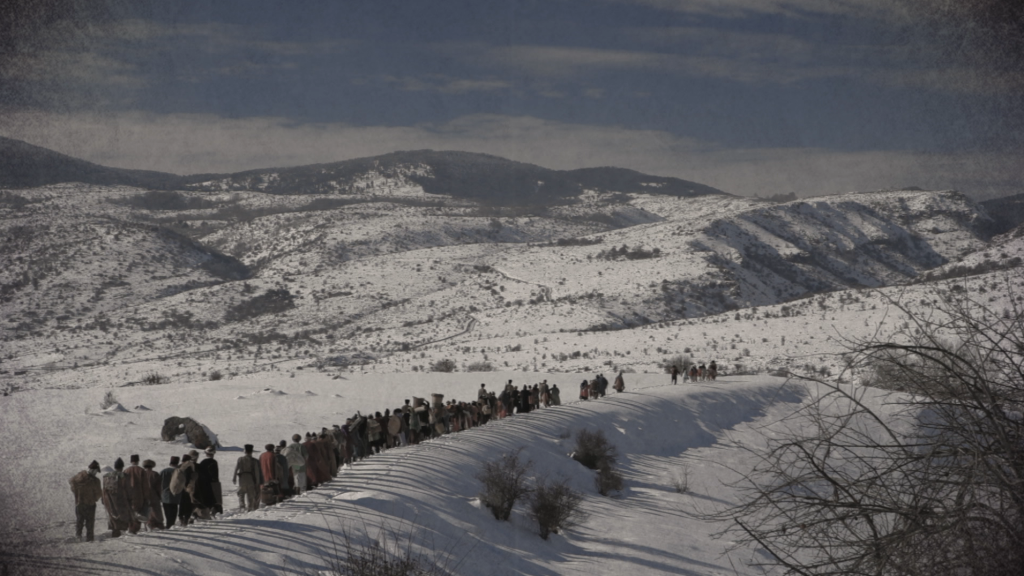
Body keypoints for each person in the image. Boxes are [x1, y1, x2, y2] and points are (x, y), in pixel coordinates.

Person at [101, 457, 139, 537]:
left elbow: (104, 489)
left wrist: (103, 500)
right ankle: (124, 536)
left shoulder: (106, 476)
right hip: (122, 501)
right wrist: (133, 500)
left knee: (114, 519)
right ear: (122, 467)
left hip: (110, 501)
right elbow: (129, 489)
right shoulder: (125, 476)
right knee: (125, 519)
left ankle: (115, 534)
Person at [69, 460, 102, 542]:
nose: (96, 473)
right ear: (93, 470)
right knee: (90, 523)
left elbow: (71, 482)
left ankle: (78, 536)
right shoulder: (95, 481)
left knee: (79, 521)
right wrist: (94, 498)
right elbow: (98, 494)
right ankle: (89, 539)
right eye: (96, 471)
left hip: (79, 503)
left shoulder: (79, 476)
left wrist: (77, 493)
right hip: (90, 504)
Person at [192, 446, 220, 520]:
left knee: (204, 500)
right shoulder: (214, 462)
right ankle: (207, 513)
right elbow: (215, 476)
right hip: (212, 484)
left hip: (203, 484)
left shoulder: (203, 462)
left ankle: (200, 513)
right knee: (212, 500)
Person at [233, 444, 261, 511]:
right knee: (250, 494)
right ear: (251, 452)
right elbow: (257, 472)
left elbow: (236, 468)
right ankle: (250, 507)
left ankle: (242, 505)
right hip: (250, 479)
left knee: (241, 493)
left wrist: (234, 477)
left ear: (245, 451)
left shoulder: (240, 459)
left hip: (242, 478)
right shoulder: (254, 461)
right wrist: (257, 482)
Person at [142, 459, 165, 530]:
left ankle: (148, 523)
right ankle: (157, 524)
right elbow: (159, 487)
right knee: (156, 511)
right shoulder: (155, 474)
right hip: (153, 495)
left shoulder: (141, 474)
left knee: (145, 510)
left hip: (143, 495)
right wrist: (160, 496)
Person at [124, 454, 147, 522]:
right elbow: (145, 485)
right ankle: (135, 529)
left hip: (128, 494)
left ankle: (131, 527)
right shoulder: (141, 470)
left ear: (131, 461)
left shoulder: (126, 471)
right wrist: (146, 496)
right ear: (138, 461)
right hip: (139, 494)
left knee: (130, 512)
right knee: (138, 512)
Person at [177, 451, 198, 526]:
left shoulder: (179, 467)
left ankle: (181, 518)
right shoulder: (189, 467)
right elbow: (191, 478)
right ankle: (186, 519)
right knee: (188, 504)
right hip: (188, 489)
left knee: (181, 504)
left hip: (180, 488)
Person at [160, 456, 181, 528]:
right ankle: (171, 524)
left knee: (166, 511)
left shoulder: (164, 471)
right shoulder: (179, 472)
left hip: (165, 495)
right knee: (174, 511)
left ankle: (168, 524)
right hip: (175, 495)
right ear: (178, 463)